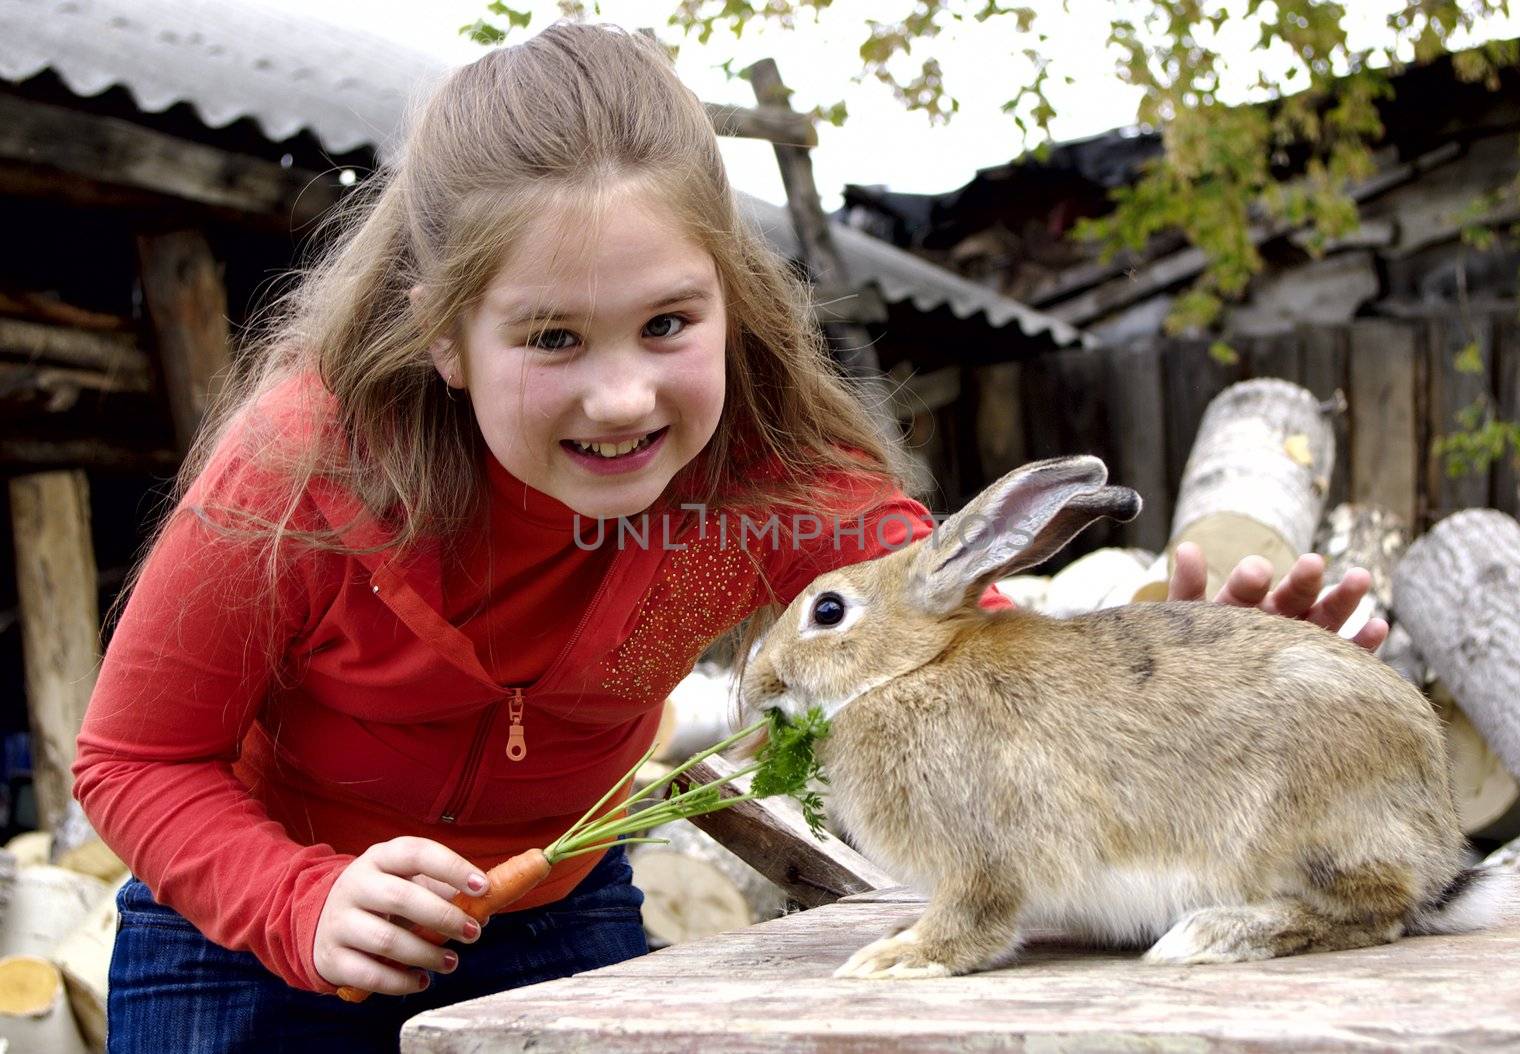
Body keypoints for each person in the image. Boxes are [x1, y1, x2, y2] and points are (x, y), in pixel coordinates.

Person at [71, 21, 1385, 1053]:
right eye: (550, 337)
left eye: (666, 323)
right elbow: (134, 754)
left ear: (727, 294)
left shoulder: (776, 477)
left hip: (548, 909)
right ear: (443, 334)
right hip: (242, 934)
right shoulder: (301, 470)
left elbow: (948, 644)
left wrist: (1246, 686)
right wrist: (303, 900)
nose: (625, 395)